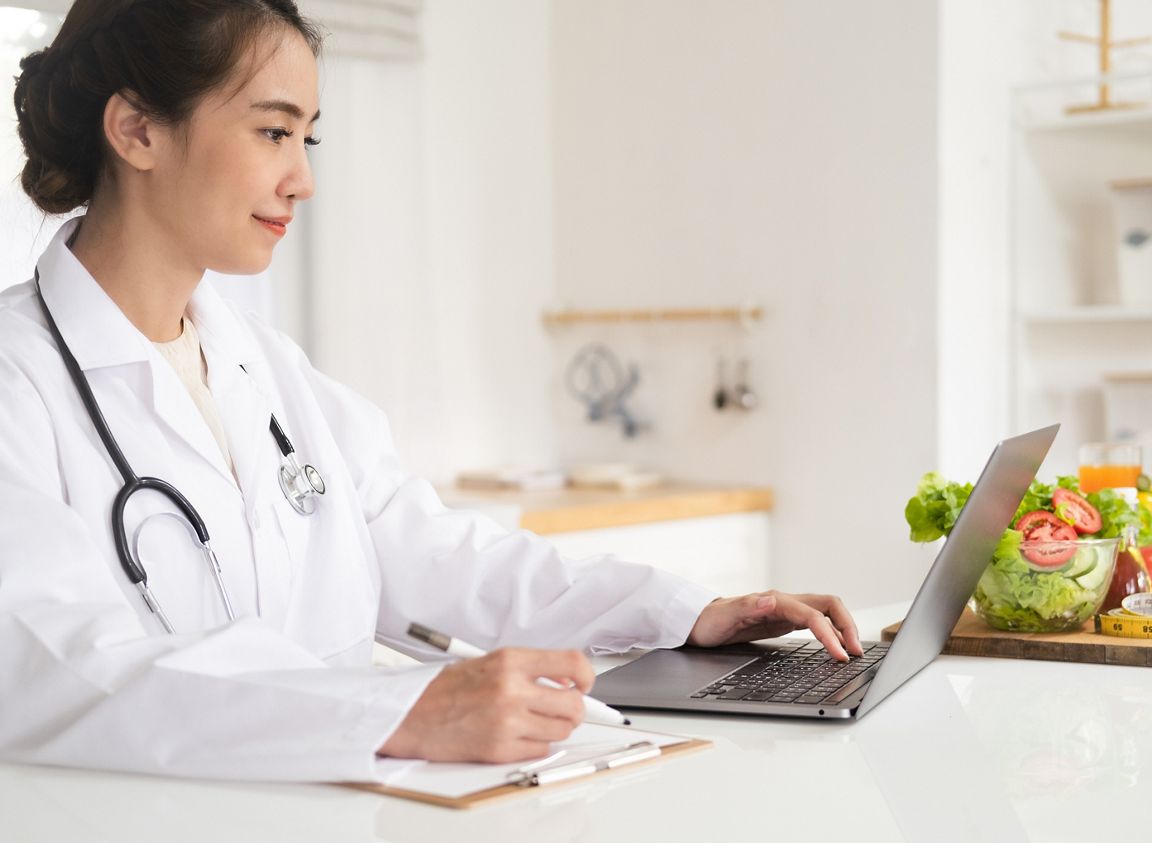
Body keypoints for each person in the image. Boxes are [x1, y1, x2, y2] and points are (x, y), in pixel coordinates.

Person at [0, 0, 861, 781]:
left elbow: (439, 555)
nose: (301, 178)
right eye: (273, 133)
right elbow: (63, 669)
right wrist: (402, 711)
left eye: (309, 139)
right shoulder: (17, 379)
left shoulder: (264, 368)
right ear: (138, 130)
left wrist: (689, 611)